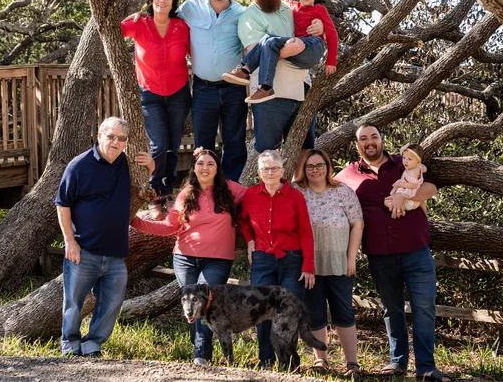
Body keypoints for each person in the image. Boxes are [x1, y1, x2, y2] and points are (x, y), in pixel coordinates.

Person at [334, 123, 452, 382]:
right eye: (363, 139)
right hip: (380, 253)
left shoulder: (405, 163)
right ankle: (397, 362)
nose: (369, 142)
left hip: (416, 249)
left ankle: (426, 367)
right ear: (357, 145)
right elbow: (320, 189)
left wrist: (404, 198)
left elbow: (431, 188)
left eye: (374, 137)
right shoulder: (347, 175)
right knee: (392, 308)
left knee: (423, 307)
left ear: (381, 139)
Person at [130, 148, 246, 366]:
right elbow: (169, 226)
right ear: (194, 168)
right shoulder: (186, 194)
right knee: (193, 306)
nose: (205, 167)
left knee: (202, 301)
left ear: (217, 168)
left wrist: (274, 173)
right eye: (201, 163)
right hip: (185, 258)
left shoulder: (230, 189)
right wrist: (135, 222)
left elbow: (258, 196)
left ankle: (201, 356)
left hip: (218, 259)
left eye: (210, 163)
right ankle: (200, 349)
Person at [55, 117, 155, 358]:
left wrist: (152, 169)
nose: (116, 142)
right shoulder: (79, 166)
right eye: (111, 136)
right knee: (73, 303)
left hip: (116, 252)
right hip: (83, 250)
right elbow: (62, 204)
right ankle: (70, 344)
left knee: (111, 304)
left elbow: (147, 190)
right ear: (99, 136)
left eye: (122, 139)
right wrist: (70, 242)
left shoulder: (127, 164)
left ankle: (92, 345)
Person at [238, 149, 315, 368]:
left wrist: (308, 265)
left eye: (274, 168)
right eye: (265, 169)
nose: (270, 172)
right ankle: (266, 360)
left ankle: (289, 363)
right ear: (258, 172)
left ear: (282, 170)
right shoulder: (250, 195)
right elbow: (242, 220)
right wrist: (249, 239)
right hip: (262, 259)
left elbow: (306, 232)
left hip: (292, 260)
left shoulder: (295, 196)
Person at [121, 0, 190, 218]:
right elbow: (113, 30)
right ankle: (153, 191)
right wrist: (129, 17)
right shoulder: (140, 24)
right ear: (151, 0)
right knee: (158, 146)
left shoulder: (181, 27)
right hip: (150, 93)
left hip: (179, 93)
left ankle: (167, 192)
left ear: (173, 3)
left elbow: (197, 51)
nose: (162, 2)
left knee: (173, 146)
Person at [236, 0, 321, 153]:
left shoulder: (292, 8)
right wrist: (289, 49)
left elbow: (311, 23)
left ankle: (299, 184)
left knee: (304, 149)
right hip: (269, 96)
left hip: (301, 88)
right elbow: (255, 53)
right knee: (269, 153)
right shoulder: (249, 16)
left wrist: (319, 25)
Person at [293, 149, 363, 376]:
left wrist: (351, 257)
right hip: (309, 265)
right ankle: (321, 359)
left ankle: (352, 363)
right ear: (304, 169)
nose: (315, 170)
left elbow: (357, 224)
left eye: (319, 165)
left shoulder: (343, 191)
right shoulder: (298, 192)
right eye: (310, 166)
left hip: (339, 263)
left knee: (344, 311)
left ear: (328, 166)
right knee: (315, 312)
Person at [176, 0, 247, 182]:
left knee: (234, 142)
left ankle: (231, 190)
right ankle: (202, 191)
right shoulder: (190, 7)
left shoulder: (242, 13)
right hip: (203, 88)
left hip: (234, 88)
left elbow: (254, 45)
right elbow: (166, 23)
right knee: (202, 145)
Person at [222, 0, 339, 103]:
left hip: (314, 46)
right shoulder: (291, 7)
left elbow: (332, 33)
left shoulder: (320, 9)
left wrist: (331, 61)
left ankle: (246, 69)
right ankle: (261, 84)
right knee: (269, 40)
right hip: (297, 50)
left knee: (272, 41)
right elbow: (279, 1)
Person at [391, 143, 428, 213]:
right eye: (404, 158)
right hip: (413, 196)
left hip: (408, 196)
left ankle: (399, 211)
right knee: (422, 202)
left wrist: (399, 185)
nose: (405, 161)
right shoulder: (419, 167)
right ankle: (425, 215)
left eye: (409, 159)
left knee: (388, 202)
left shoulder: (412, 173)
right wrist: (420, 165)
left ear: (418, 161)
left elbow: (413, 185)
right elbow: (425, 169)